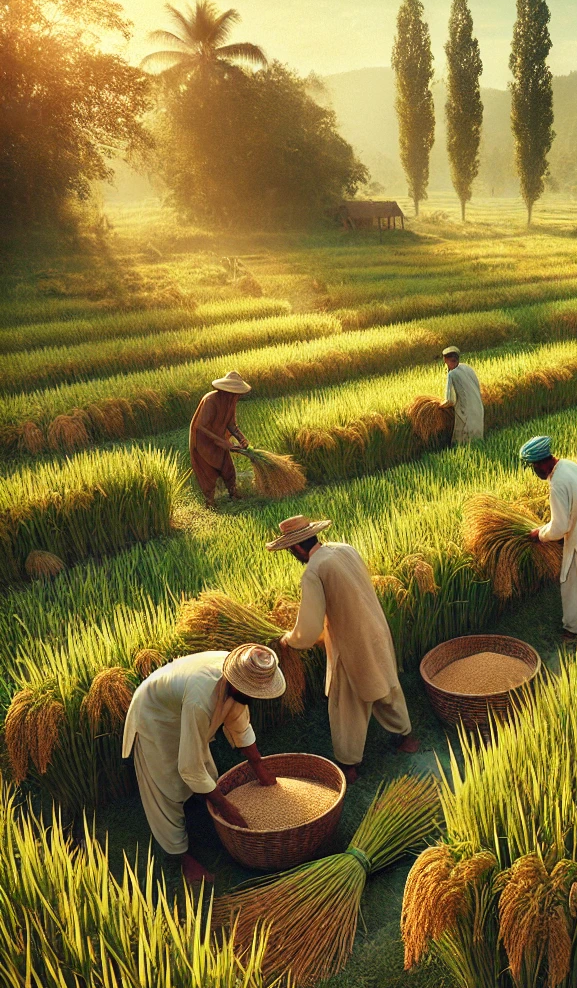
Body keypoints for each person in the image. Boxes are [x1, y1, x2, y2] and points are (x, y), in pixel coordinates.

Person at [270, 515, 419, 783]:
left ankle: (349, 767)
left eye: (291, 551)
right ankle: (406, 738)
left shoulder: (314, 571)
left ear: (296, 548)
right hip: (376, 628)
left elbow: (310, 628)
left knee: (346, 704)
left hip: (351, 643)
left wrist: (289, 640)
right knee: (386, 684)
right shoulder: (343, 549)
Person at [122, 643, 284, 884]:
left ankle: (200, 803)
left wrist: (258, 766)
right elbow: (190, 767)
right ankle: (181, 857)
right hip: (156, 714)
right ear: (237, 683)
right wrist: (226, 807)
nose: (253, 697)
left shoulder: (242, 671)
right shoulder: (202, 698)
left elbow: (239, 722)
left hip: (182, 703)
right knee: (165, 783)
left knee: (205, 769)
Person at [520, 435, 577, 641]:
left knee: (573, 584)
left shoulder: (557, 485)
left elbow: (559, 527)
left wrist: (539, 534)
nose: (534, 471)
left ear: (540, 464)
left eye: (533, 467)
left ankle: (571, 630)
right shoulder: (569, 466)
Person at [189, 370, 251, 507]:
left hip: (219, 440)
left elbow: (231, 424)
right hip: (203, 442)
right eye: (235, 393)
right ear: (227, 390)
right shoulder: (210, 400)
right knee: (207, 472)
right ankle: (210, 502)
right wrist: (222, 441)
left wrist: (242, 439)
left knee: (228, 468)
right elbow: (201, 426)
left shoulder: (231, 402)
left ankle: (233, 494)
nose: (237, 396)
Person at [440, 346, 484, 444]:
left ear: (447, 360)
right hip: (478, 408)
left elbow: (449, 400)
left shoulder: (452, 374)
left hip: (466, 412)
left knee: (464, 443)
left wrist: (439, 406)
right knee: (477, 442)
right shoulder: (467, 368)